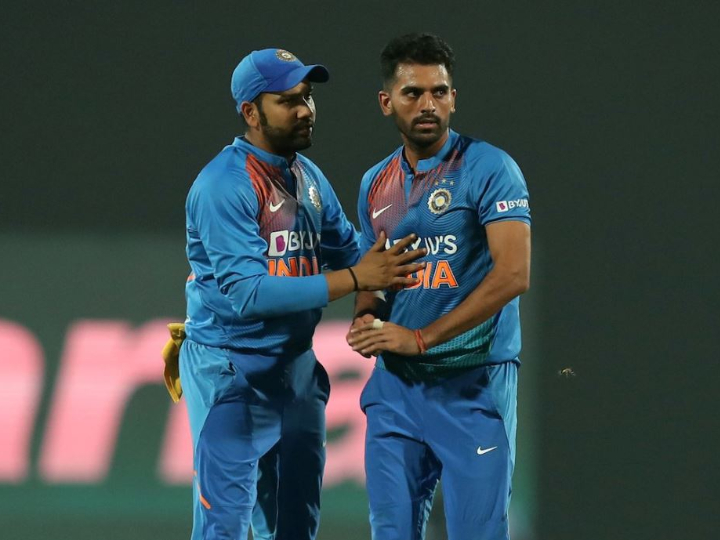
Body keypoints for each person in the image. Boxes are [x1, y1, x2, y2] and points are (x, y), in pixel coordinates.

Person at [164, 48, 426, 540]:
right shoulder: (223, 185)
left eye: (307, 97)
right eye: (288, 101)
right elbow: (248, 295)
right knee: (223, 528)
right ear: (251, 112)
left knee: (295, 529)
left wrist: (380, 296)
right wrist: (358, 279)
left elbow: (354, 253)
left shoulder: (307, 176)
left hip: (296, 371)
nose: (305, 110)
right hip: (233, 372)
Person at [347, 33, 532, 540]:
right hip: (396, 390)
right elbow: (373, 273)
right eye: (413, 93)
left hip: (473, 386)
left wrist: (421, 338)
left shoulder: (490, 168)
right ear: (387, 102)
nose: (428, 104)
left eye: (439, 92)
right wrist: (366, 316)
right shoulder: (374, 184)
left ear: (454, 97)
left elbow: (514, 274)